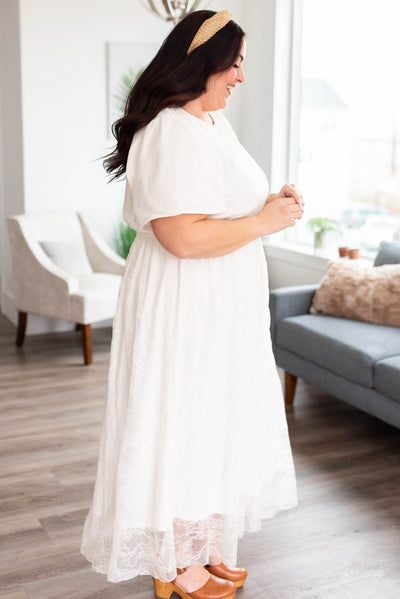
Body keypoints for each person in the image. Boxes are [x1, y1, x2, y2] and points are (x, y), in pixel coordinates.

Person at [80, 9, 303, 599]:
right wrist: (263, 219)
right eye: (234, 65)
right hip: (186, 301)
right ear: (200, 63)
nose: (240, 77)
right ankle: (174, 564)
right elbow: (181, 236)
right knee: (182, 419)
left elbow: (217, 205)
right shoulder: (171, 128)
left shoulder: (207, 123)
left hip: (218, 302)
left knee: (211, 421)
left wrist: (269, 204)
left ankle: (199, 544)